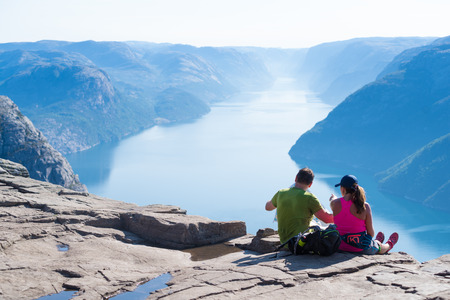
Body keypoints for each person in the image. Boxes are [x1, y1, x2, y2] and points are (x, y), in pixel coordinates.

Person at [330, 175, 398, 254]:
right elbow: (371, 233)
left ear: (342, 189)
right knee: (379, 247)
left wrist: (333, 198)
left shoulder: (334, 204)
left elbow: (338, 203)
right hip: (360, 248)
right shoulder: (365, 206)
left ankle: (377, 241)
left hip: (339, 246)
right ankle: (388, 244)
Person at [265, 167, 334, 244]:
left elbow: (268, 207)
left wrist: (276, 199)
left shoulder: (281, 193)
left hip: (284, 242)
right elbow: (327, 219)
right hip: (301, 242)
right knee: (331, 229)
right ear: (310, 184)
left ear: (296, 178)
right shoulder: (310, 198)